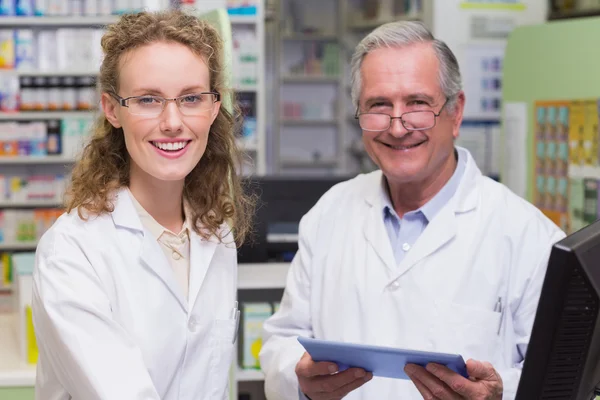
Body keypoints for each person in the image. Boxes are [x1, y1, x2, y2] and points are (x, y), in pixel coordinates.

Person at [259, 20, 566, 400]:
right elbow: (282, 341)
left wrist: (500, 395)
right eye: (379, 105)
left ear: (456, 112)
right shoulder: (330, 213)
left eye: (418, 104)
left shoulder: (527, 236)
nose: (398, 127)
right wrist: (298, 377)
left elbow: (559, 380)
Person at [32, 10, 253, 400]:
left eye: (191, 98)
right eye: (148, 99)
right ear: (113, 109)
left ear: (214, 108)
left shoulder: (215, 234)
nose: (172, 121)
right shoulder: (72, 251)